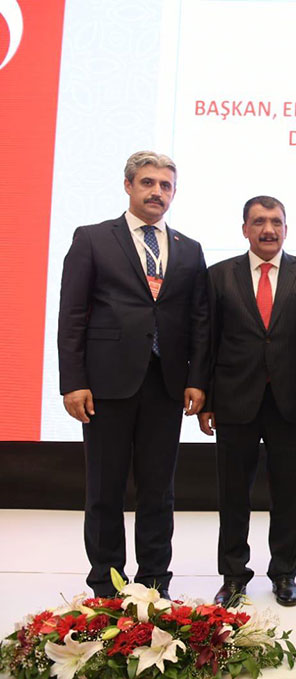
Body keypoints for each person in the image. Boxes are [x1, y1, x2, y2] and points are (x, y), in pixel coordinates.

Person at [57, 151, 209, 598]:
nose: (156, 192)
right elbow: (72, 315)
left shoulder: (188, 248)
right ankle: (106, 583)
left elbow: (199, 320)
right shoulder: (92, 238)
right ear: (128, 186)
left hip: (166, 384)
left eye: (165, 185)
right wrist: (73, 381)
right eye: (147, 183)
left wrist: (197, 378)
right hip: (106, 385)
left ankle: (154, 583)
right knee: (105, 489)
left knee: (158, 491)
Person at [199, 196, 296, 607]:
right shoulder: (219, 275)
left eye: (275, 222)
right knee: (233, 495)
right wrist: (205, 397)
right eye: (258, 222)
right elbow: (207, 340)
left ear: (286, 229)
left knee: (288, 495)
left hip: (290, 402)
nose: (268, 229)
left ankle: (284, 573)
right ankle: (233, 575)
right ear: (245, 229)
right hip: (233, 400)